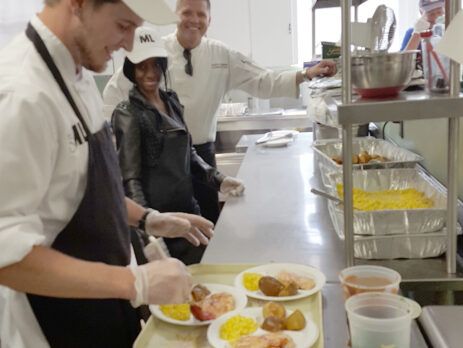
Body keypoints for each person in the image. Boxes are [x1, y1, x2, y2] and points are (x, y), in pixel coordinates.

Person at [0, 0, 215, 347]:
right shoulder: (19, 96)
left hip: (103, 308)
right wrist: (133, 283)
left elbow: (86, 187)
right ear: (78, 5)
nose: (129, 45)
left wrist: (147, 218)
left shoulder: (79, 74)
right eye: (123, 26)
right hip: (55, 324)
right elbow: (6, 256)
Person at [103, 0, 337, 225]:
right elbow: (114, 95)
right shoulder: (154, 51)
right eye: (186, 13)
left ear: (209, 20)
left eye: (201, 15)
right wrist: (123, 143)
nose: (193, 20)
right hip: (158, 166)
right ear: (176, 16)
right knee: (164, 234)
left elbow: (263, 80)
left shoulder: (221, 55)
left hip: (200, 158)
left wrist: (306, 74)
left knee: (206, 227)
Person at [112, 26, 244, 265]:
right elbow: (131, 182)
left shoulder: (171, 100)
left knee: (203, 282)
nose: (150, 72)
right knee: (173, 297)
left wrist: (218, 179)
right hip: (161, 223)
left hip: (188, 214)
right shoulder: (128, 114)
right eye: (142, 66)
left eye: (155, 64)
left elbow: (189, 153)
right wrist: (150, 231)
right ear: (132, 69)